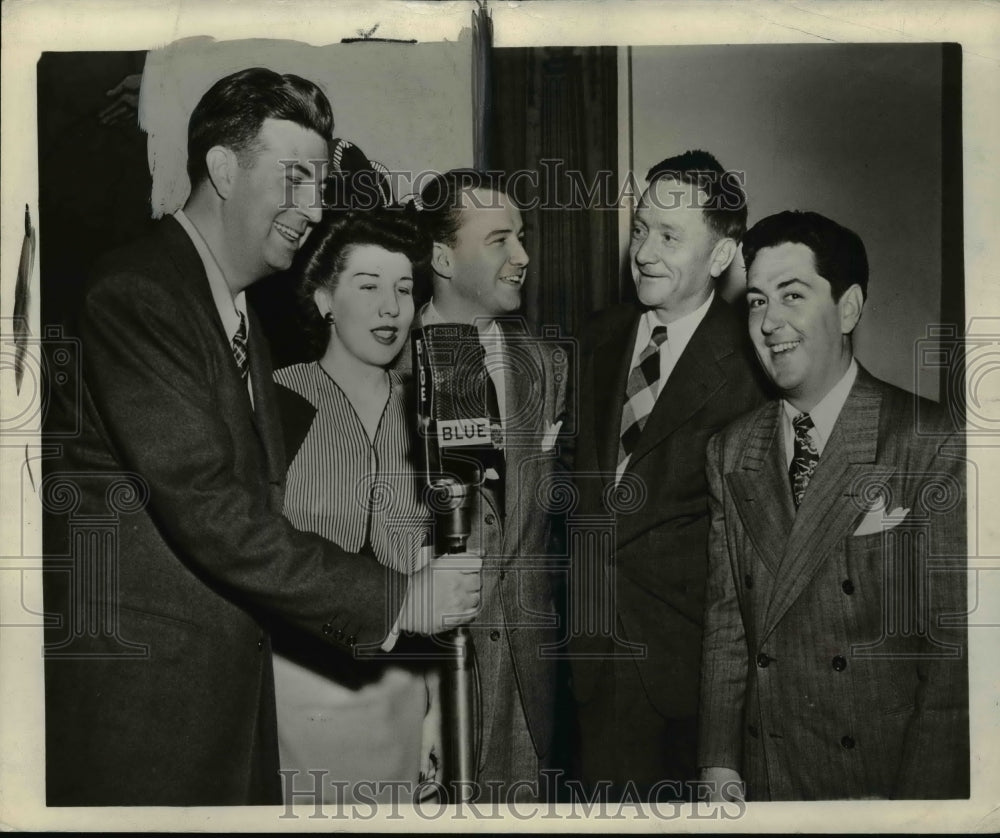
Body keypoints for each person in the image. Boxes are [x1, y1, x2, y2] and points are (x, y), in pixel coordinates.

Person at [42, 67, 480, 806]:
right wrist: (399, 601)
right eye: (295, 178)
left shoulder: (238, 318)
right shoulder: (139, 292)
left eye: (321, 182)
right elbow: (214, 512)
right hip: (146, 714)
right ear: (221, 167)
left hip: (223, 709)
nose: (313, 207)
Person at [698, 210, 968, 800]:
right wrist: (718, 760)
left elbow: (952, 662)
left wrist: (916, 809)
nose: (770, 323)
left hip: (878, 779)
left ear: (848, 309)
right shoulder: (730, 450)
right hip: (766, 774)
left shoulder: (929, 440)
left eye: (793, 295)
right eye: (757, 301)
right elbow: (727, 626)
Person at [567, 150, 767, 800]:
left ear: (719, 256)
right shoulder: (595, 338)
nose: (645, 251)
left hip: (686, 685)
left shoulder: (755, 366)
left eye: (670, 236)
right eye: (641, 228)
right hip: (581, 665)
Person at [395, 169, 568, 802]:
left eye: (521, 237)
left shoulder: (550, 366)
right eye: (499, 240)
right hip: (425, 688)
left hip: (530, 688)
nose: (522, 257)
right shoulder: (390, 364)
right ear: (442, 257)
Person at [269, 206, 439, 805]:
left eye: (403, 289)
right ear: (324, 300)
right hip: (296, 692)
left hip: (400, 691)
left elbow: (437, 567)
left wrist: (436, 713)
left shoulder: (429, 413)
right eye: (367, 287)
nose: (391, 308)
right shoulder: (275, 400)